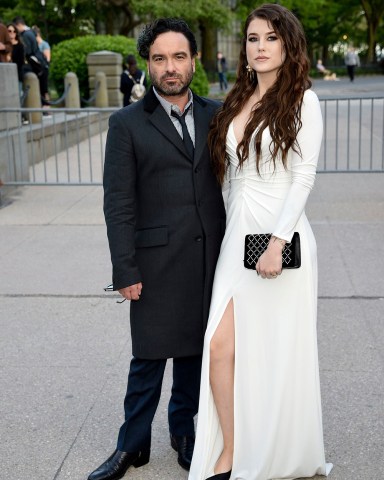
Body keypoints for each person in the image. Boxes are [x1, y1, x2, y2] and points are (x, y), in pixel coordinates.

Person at [189, 4, 333, 480]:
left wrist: (278, 240)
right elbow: (230, 178)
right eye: (253, 38)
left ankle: (277, 447)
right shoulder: (236, 100)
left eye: (271, 38)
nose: (261, 46)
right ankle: (231, 448)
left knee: (277, 348)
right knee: (220, 346)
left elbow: (304, 177)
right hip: (239, 236)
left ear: (288, 45)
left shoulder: (304, 101)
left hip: (281, 237)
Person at [87, 17, 226, 480]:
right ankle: (131, 446)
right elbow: (118, 203)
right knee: (147, 358)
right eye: (160, 58)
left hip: (208, 258)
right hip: (153, 261)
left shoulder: (216, 113)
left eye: (179, 57)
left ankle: (183, 433)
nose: (170, 67)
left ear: (194, 61)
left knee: (193, 354)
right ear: (147, 63)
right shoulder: (126, 123)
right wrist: (124, 269)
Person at [12, 17, 49, 106]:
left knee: (39, 88)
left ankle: (43, 109)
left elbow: (28, 51)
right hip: (40, 63)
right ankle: (44, 109)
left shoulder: (25, 35)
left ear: (19, 25)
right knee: (43, 89)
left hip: (35, 64)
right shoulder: (31, 32)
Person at [7, 23, 25, 90]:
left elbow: (21, 62)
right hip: (4, 75)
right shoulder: (4, 45)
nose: (12, 33)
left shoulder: (20, 46)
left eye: (14, 31)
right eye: (9, 31)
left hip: (16, 76)